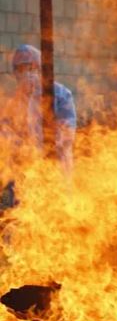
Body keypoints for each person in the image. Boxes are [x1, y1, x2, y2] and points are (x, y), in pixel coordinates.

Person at [0, 44, 77, 210]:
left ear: (39, 68)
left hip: (55, 166)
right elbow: (5, 135)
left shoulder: (60, 94)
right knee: (28, 215)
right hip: (26, 170)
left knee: (57, 212)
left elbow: (67, 133)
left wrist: (48, 147)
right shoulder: (14, 102)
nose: (25, 73)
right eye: (19, 69)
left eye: (29, 67)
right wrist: (18, 151)